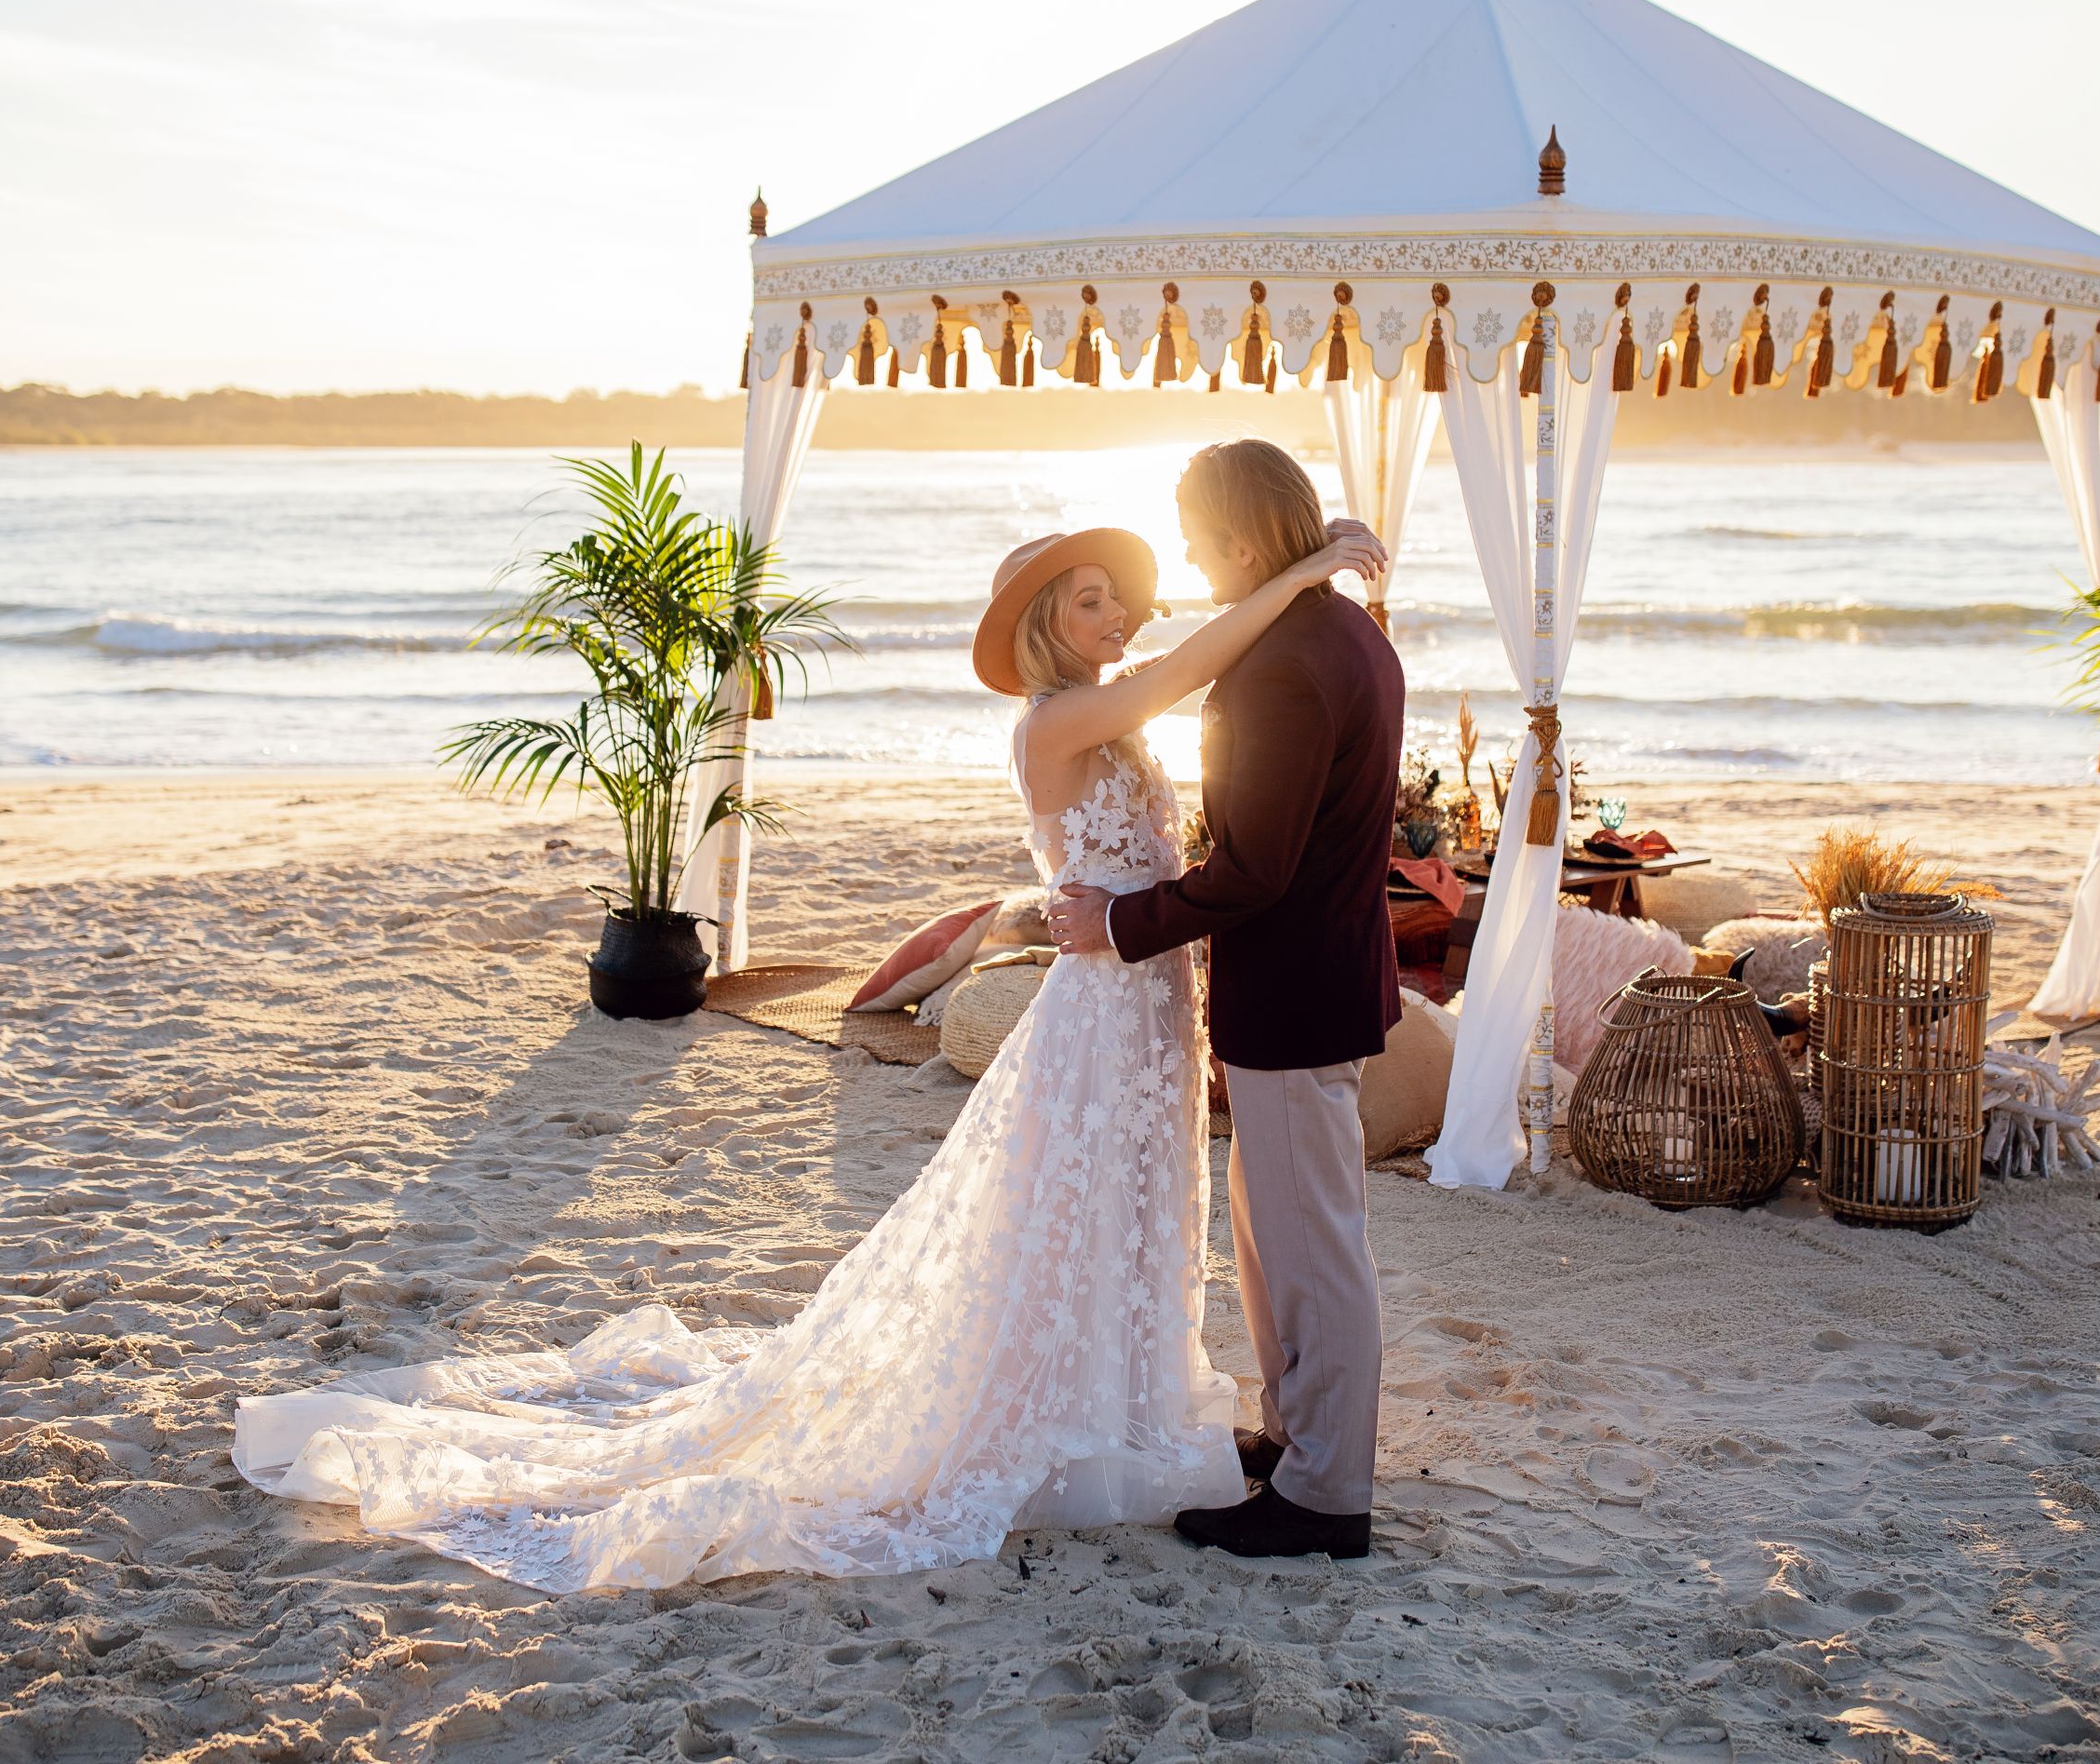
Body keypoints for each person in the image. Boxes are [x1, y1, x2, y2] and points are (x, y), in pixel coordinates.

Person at [230, 511, 1385, 1592]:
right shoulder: (1054, 721)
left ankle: (1132, 1405)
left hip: (1151, 1000)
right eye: (1093, 603)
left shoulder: (1109, 711)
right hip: (1103, 1011)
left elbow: (1158, 753)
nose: (1119, 620)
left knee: (1143, 1208)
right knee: (1083, 1205)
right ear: (1046, 622)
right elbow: (1187, 674)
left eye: (1123, 601)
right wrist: (1299, 573)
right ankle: (1080, 1417)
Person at [1049, 438, 1407, 1561]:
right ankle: (1295, 1436)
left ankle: (1325, 1494)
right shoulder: (1346, 631)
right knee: (1275, 1235)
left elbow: (1254, 869)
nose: (1195, 561)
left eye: (1201, 541)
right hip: (1318, 978)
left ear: (1246, 539)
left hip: (1297, 993)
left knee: (1314, 1250)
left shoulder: (1285, 665)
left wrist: (1115, 925)